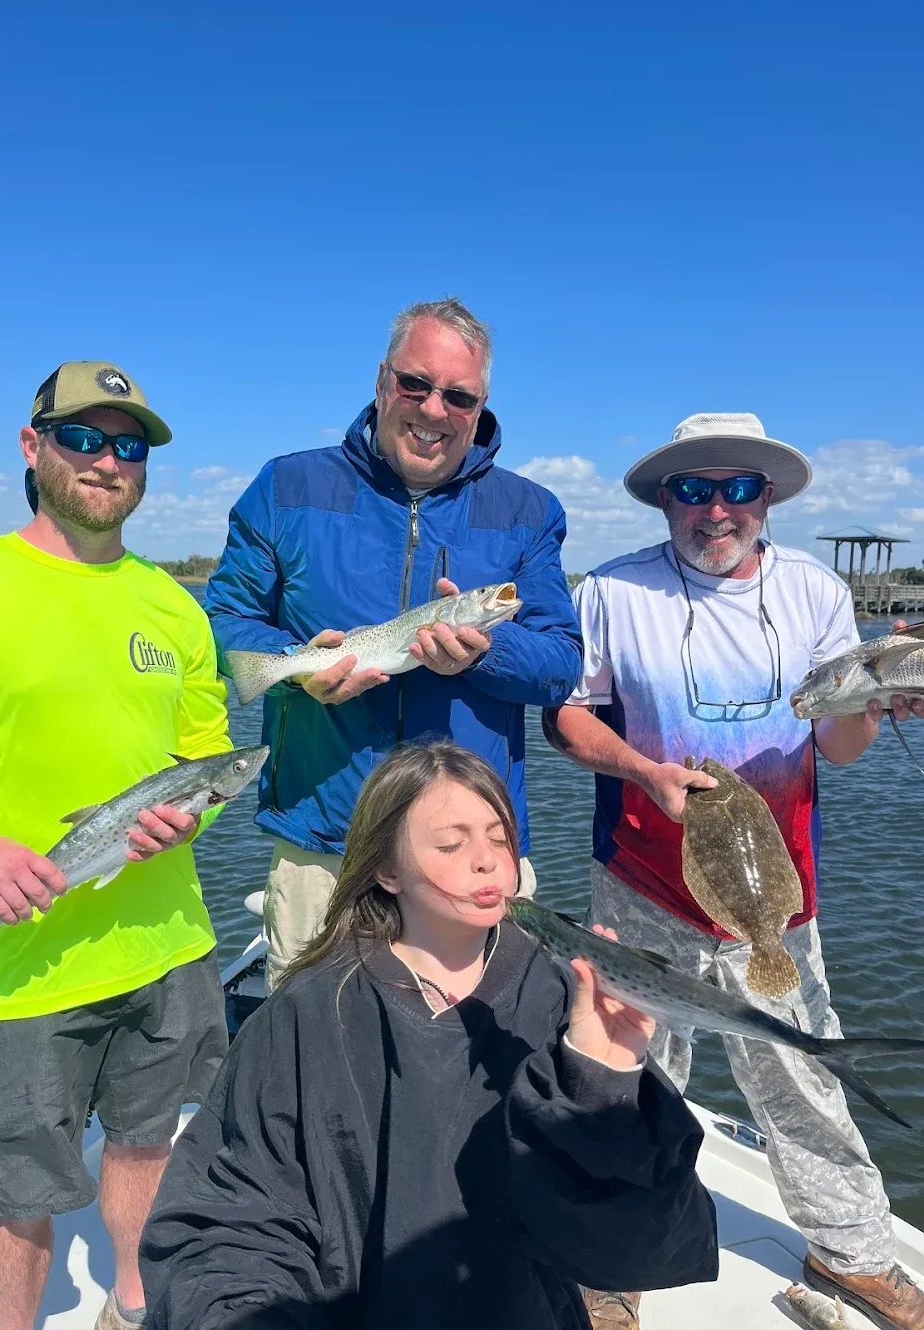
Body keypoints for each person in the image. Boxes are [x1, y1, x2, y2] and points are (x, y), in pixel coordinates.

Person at [544, 412, 924, 1330]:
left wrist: (877, 703)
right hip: (642, 881)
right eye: (694, 488)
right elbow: (567, 716)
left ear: (769, 497)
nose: (717, 508)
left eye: (739, 488)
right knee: (630, 1071)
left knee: (804, 1073)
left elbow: (838, 745)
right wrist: (643, 770)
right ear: (664, 499)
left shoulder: (816, 592)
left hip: (778, 896)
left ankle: (850, 1251)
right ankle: (613, 1264)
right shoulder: (614, 590)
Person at [139, 741, 718, 1328]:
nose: (487, 861)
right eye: (451, 844)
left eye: (500, 838)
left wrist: (603, 1082)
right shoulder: (310, 1011)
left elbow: (639, 1253)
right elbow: (230, 1224)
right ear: (386, 870)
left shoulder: (564, 1001)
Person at [0, 362, 233, 1330]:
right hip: (20, 962)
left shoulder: (175, 605)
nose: (107, 461)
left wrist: (193, 817)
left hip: (167, 947)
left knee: (147, 1140)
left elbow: (206, 758)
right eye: (83, 438)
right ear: (34, 446)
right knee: (15, 1189)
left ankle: (133, 1304)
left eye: (128, 445)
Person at [205, 297, 583, 987]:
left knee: (482, 1039)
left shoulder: (530, 511)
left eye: (459, 396)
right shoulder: (286, 486)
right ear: (383, 382)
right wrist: (299, 672)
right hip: (325, 843)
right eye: (416, 384)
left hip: (473, 848)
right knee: (313, 1039)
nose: (435, 410)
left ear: (481, 406)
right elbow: (226, 617)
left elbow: (561, 663)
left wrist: (487, 653)